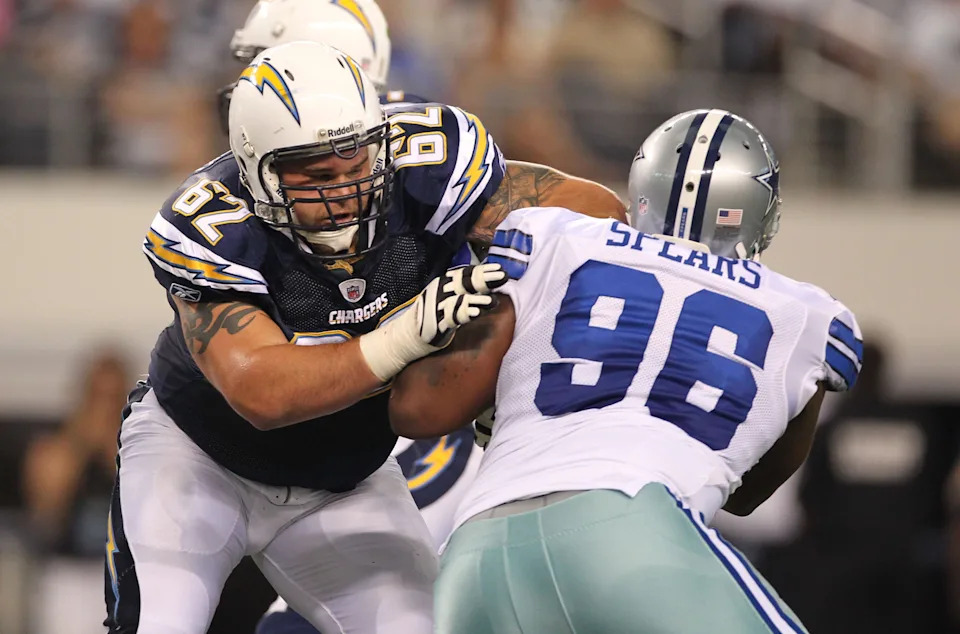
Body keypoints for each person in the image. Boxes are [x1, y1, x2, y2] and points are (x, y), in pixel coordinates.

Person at [104, 39, 625, 633]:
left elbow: (587, 215)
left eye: (357, 167)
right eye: (319, 175)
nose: (346, 192)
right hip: (199, 456)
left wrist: (516, 339)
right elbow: (263, 394)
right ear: (257, 169)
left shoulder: (427, 167)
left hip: (344, 478)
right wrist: (406, 336)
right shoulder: (210, 224)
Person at [389, 109, 864, 633]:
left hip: (475, 554)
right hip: (634, 535)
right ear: (759, 211)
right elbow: (750, 495)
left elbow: (422, 410)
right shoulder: (810, 317)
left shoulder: (553, 235)